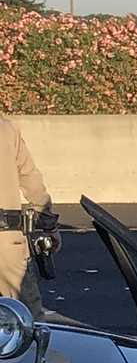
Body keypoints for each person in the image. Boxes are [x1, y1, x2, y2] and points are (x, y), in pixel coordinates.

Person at [0, 117, 58, 320]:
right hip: (6, 239)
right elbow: (31, 179)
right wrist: (48, 226)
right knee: (28, 320)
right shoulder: (7, 129)